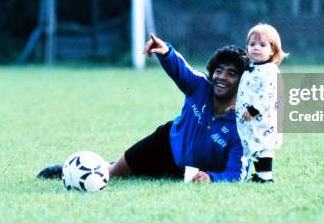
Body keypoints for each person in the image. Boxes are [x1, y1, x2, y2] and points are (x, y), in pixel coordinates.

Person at [37, 34, 250, 183]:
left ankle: (102, 166)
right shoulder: (200, 87)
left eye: (231, 73)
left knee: (142, 175)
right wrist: (165, 51)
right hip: (165, 143)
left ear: (243, 82)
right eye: (219, 70)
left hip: (188, 171)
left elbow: (236, 174)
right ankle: (74, 171)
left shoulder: (244, 125)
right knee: (112, 173)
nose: (221, 77)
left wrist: (211, 178)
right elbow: (180, 70)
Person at [236, 23, 288, 183]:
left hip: (264, 119)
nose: (256, 48)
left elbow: (269, 95)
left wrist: (253, 109)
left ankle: (266, 177)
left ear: (272, 50)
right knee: (254, 146)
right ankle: (259, 175)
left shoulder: (270, 71)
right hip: (250, 119)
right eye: (252, 44)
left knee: (264, 148)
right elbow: (246, 92)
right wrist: (237, 106)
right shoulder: (250, 69)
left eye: (262, 45)